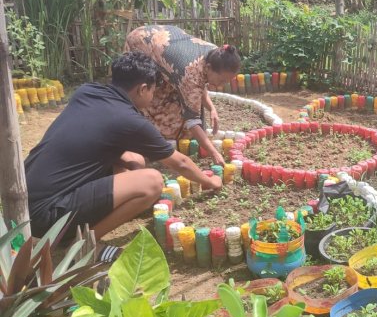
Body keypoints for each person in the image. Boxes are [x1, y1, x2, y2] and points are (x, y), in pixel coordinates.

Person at [25, 52, 222, 255]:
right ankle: (84, 244)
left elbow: (93, 140)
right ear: (142, 89)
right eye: (152, 91)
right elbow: (179, 162)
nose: (153, 96)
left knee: (133, 158)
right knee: (152, 181)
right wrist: (209, 182)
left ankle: (102, 214)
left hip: (26, 200)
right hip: (47, 217)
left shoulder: (87, 91)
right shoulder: (129, 120)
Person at [125, 25, 241, 165]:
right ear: (209, 68)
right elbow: (192, 120)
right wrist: (214, 153)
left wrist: (212, 108)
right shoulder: (190, 73)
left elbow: (200, 82)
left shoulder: (218, 54)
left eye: (227, 81)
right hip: (141, 43)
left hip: (164, 44)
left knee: (180, 102)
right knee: (150, 102)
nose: (222, 85)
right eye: (222, 80)